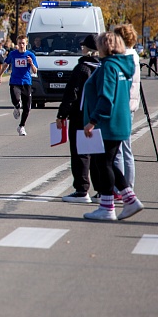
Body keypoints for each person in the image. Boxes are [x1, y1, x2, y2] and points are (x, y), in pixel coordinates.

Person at [81, 31, 143, 221]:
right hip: (118, 121)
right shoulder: (121, 66)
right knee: (107, 162)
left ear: (105, 46)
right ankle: (129, 199)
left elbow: (106, 98)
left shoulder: (108, 67)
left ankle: (108, 208)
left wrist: (92, 121)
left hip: (108, 123)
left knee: (104, 163)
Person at [57, 34, 100, 203]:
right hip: (97, 116)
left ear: (88, 49)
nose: (81, 48)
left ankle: (82, 190)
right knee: (97, 154)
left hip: (80, 116)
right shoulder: (104, 67)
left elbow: (71, 94)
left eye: (84, 46)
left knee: (80, 154)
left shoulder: (82, 68)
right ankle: (102, 191)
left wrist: (62, 115)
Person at [113, 24, 140, 190]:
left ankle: (121, 187)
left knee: (119, 150)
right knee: (125, 148)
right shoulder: (134, 55)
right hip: (129, 104)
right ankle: (127, 186)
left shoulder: (125, 57)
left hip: (122, 106)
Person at [0, 34, 39, 136]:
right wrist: (0, 76)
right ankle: (16, 106)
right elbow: (6, 64)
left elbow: (35, 70)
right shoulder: (13, 54)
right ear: (17, 44)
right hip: (15, 81)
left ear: (26, 44)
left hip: (26, 82)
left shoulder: (30, 55)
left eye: (23, 43)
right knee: (15, 98)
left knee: (27, 107)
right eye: (19, 43)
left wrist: (31, 63)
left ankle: (21, 126)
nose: (21, 45)